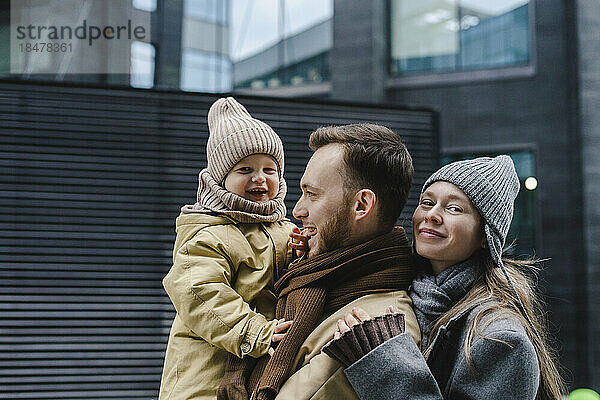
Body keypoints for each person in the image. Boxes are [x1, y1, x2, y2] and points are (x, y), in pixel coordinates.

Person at [324, 155, 566, 399]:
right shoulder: (401, 289)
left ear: (485, 236)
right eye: (427, 202)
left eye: (454, 208)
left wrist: (384, 364)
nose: (432, 215)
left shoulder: (501, 338)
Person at [218, 123, 421, 400]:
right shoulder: (307, 281)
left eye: (312, 194)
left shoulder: (373, 331)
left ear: (361, 205)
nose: (297, 209)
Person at [159, 97, 297, 400]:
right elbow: (200, 293)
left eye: (270, 169)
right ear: (220, 179)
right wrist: (253, 331)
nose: (259, 178)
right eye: (245, 169)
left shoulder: (285, 229)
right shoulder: (209, 232)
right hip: (205, 378)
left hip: (253, 374)